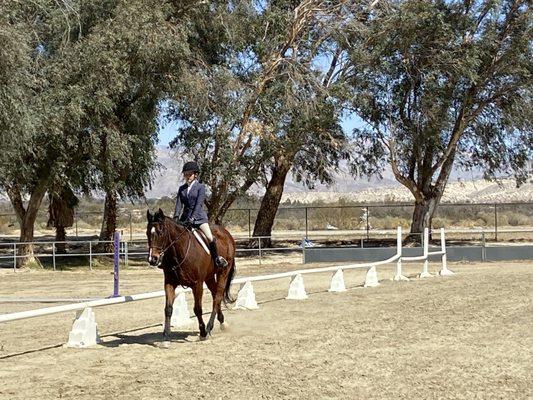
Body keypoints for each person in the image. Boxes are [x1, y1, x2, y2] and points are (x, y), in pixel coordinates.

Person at [173, 161, 228, 269]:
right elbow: (178, 205)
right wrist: (176, 218)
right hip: (185, 219)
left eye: (190, 174)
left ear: (195, 175)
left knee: (209, 237)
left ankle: (217, 258)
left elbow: (199, 204)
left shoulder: (200, 187)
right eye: (186, 174)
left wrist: (192, 218)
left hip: (199, 219)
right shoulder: (182, 189)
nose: (187, 176)